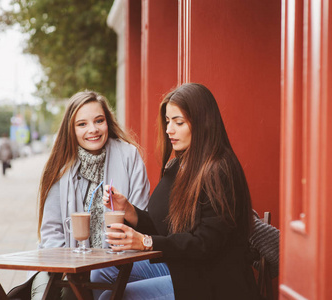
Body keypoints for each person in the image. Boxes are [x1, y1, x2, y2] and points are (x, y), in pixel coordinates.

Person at [93, 83, 260, 299]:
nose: (169, 130)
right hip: (181, 265)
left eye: (178, 122)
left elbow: (204, 244)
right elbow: (163, 228)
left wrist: (145, 242)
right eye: (168, 121)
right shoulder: (179, 165)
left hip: (211, 280)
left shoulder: (220, 169)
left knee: (111, 297)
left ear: (202, 123)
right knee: (100, 272)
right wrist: (129, 210)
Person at [30, 90, 152, 299]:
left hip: (120, 265)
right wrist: (72, 266)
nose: (93, 130)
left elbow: (144, 217)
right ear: (71, 129)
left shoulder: (129, 156)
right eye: (82, 124)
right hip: (68, 267)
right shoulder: (60, 166)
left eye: (99, 121)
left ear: (108, 122)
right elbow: (51, 234)